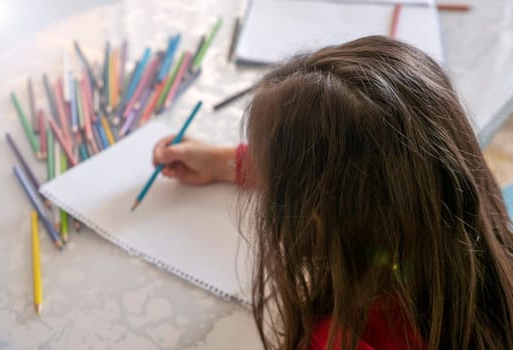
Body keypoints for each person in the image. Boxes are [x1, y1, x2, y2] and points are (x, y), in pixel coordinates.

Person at [152, 36, 513, 350]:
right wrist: (229, 162)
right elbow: (375, 167)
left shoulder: (342, 338)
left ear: (315, 219)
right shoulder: (465, 213)